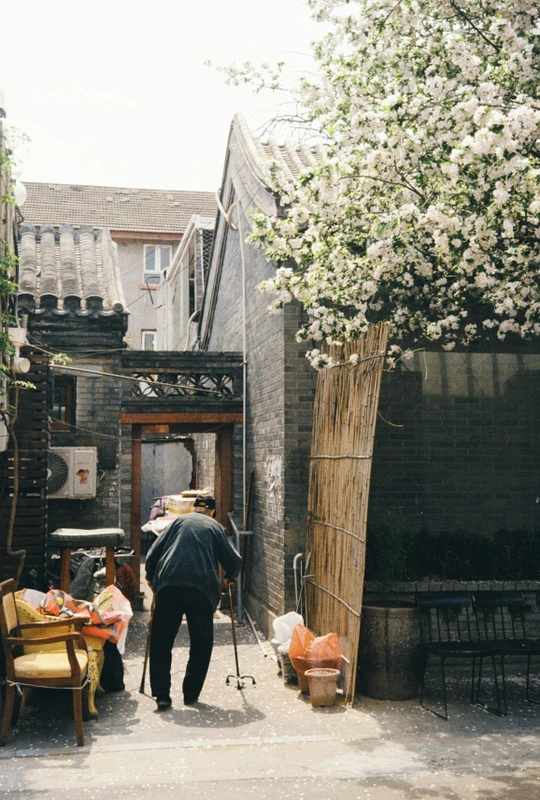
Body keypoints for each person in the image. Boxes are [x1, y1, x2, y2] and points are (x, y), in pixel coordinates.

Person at [145, 494, 242, 710]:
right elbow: (234, 560)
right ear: (212, 512)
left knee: (161, 641)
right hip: (201, 589)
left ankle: (161, 694)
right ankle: (190, 695)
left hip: (169, 586)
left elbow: (153, 554)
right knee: (201, 642)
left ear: (194, 507)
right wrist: (230, 576)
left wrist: (151, 578)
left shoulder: (177, 522)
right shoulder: (215, 527)